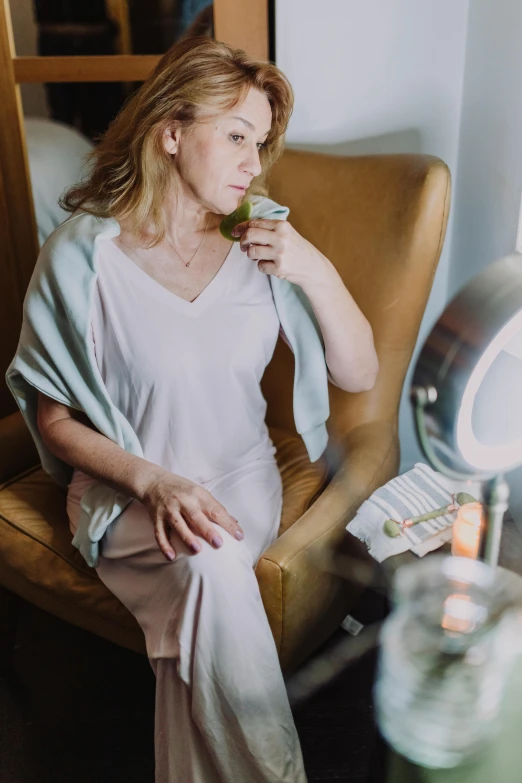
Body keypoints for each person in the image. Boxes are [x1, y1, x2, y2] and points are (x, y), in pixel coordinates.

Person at [7, 36, 378, 783]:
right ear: (171, 133)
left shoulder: (263, 237)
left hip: (242, 476)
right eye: (236, 135)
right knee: (213, 573)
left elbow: (358, 369)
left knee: (209, 575)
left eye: (262, 141)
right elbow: (54, 422)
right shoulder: (83, 257)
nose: (254, 160)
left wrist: (316, 269)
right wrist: (154, 483)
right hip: (127, 494)